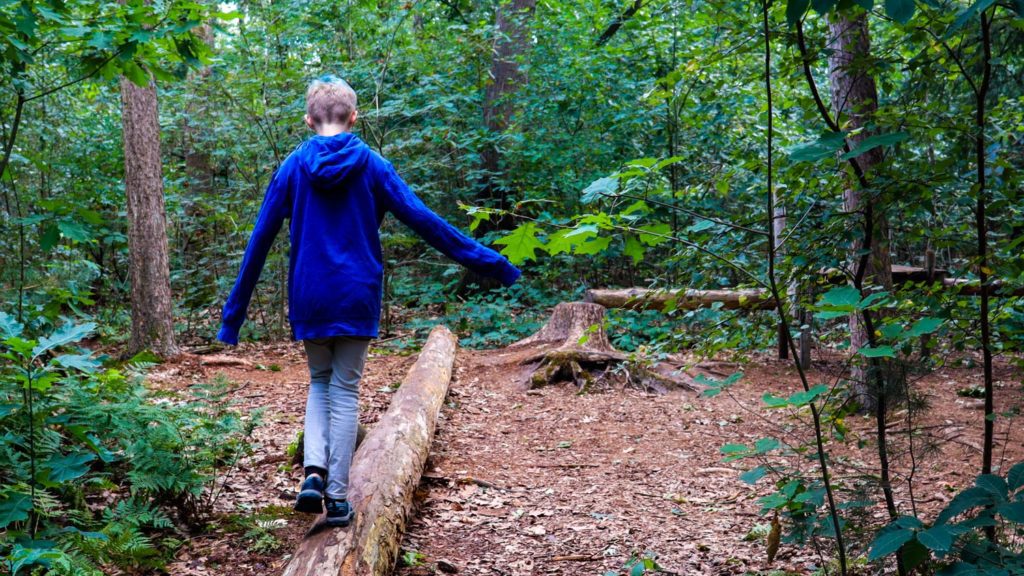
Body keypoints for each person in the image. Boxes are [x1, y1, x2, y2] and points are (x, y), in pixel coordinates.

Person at [216, 75, 521, 526]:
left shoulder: (292, 167)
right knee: (344, 388)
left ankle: (314, 473)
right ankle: (337, 497)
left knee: (320, 381)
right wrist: (492, 263)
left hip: (309, 294)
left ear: (308, 119)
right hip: (356, 293)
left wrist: (233, 317)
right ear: (354, 117)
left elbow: (259, 240)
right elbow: (424, 220)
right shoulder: (373, 165)